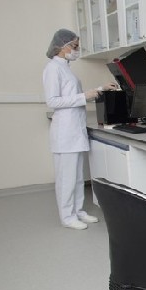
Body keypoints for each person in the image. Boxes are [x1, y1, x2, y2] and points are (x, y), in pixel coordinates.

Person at [43, 29, 117, 230]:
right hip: (64, 133)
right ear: (62, 46)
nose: (76, 50)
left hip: (74, 131)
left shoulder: (66, 68)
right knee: (66, 178)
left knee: (76, 178)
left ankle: (78, 211)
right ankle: (67, 217)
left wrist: (99, 89)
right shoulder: (53, 69)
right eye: (74, 46)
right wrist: (85, 96)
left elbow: (74, 95)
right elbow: (52, 101)